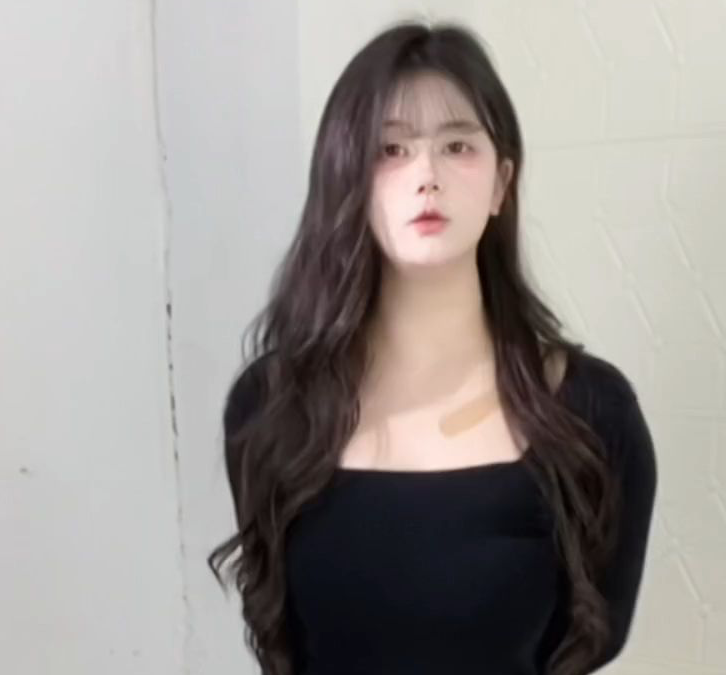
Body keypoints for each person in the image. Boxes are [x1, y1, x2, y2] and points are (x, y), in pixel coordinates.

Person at [208, 19, 657, 675]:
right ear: (345, 179)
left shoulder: (590, 412)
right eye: (390, 149)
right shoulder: (271, 406)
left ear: (502, 183)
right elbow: (280, 636)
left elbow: (592, 639)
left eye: (457, 146)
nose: (426, 174)